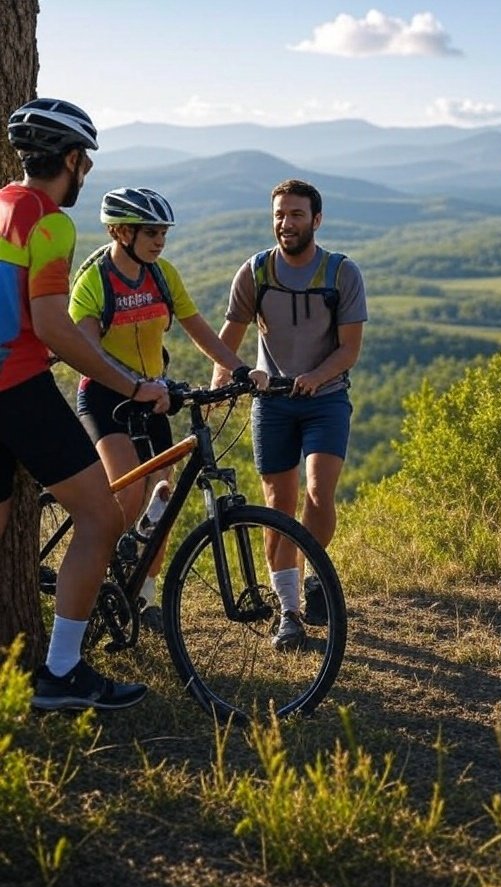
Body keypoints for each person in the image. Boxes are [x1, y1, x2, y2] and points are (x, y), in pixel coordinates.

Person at [0, 98, 169, 710]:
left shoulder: (2, 204)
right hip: (18, 388)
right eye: (86, 160)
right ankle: (62, 672)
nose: (88, 170)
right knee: (101, 518)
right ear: (71, 159)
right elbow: (53, 324)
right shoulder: (50, 222)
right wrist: (133, 385)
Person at [69, 187, 254, 632]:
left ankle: (144, 598)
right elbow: (87, 352)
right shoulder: (94, 281)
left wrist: (239, 368)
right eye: (151, 232)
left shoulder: (163, 275)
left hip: (154, 396)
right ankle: (94, 588)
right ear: (121, 231)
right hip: (106, 396)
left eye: (163, 233)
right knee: (131, 492)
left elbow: (198, 328)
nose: (160, 241)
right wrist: (135, 387)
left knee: (163, 502)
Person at [212, 179, 367, 651]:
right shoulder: (256, 272)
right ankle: (289, 611)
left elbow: (349, 349)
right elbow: (230, 334)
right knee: (277, 507)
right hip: (273, 403)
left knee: (318, 491)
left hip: (326, 399)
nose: (286, 223)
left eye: (296, 214)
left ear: (316, 220)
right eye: (279, 214)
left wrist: (316, 377)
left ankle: (312, 572)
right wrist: (221, 381)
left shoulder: (341, 273)